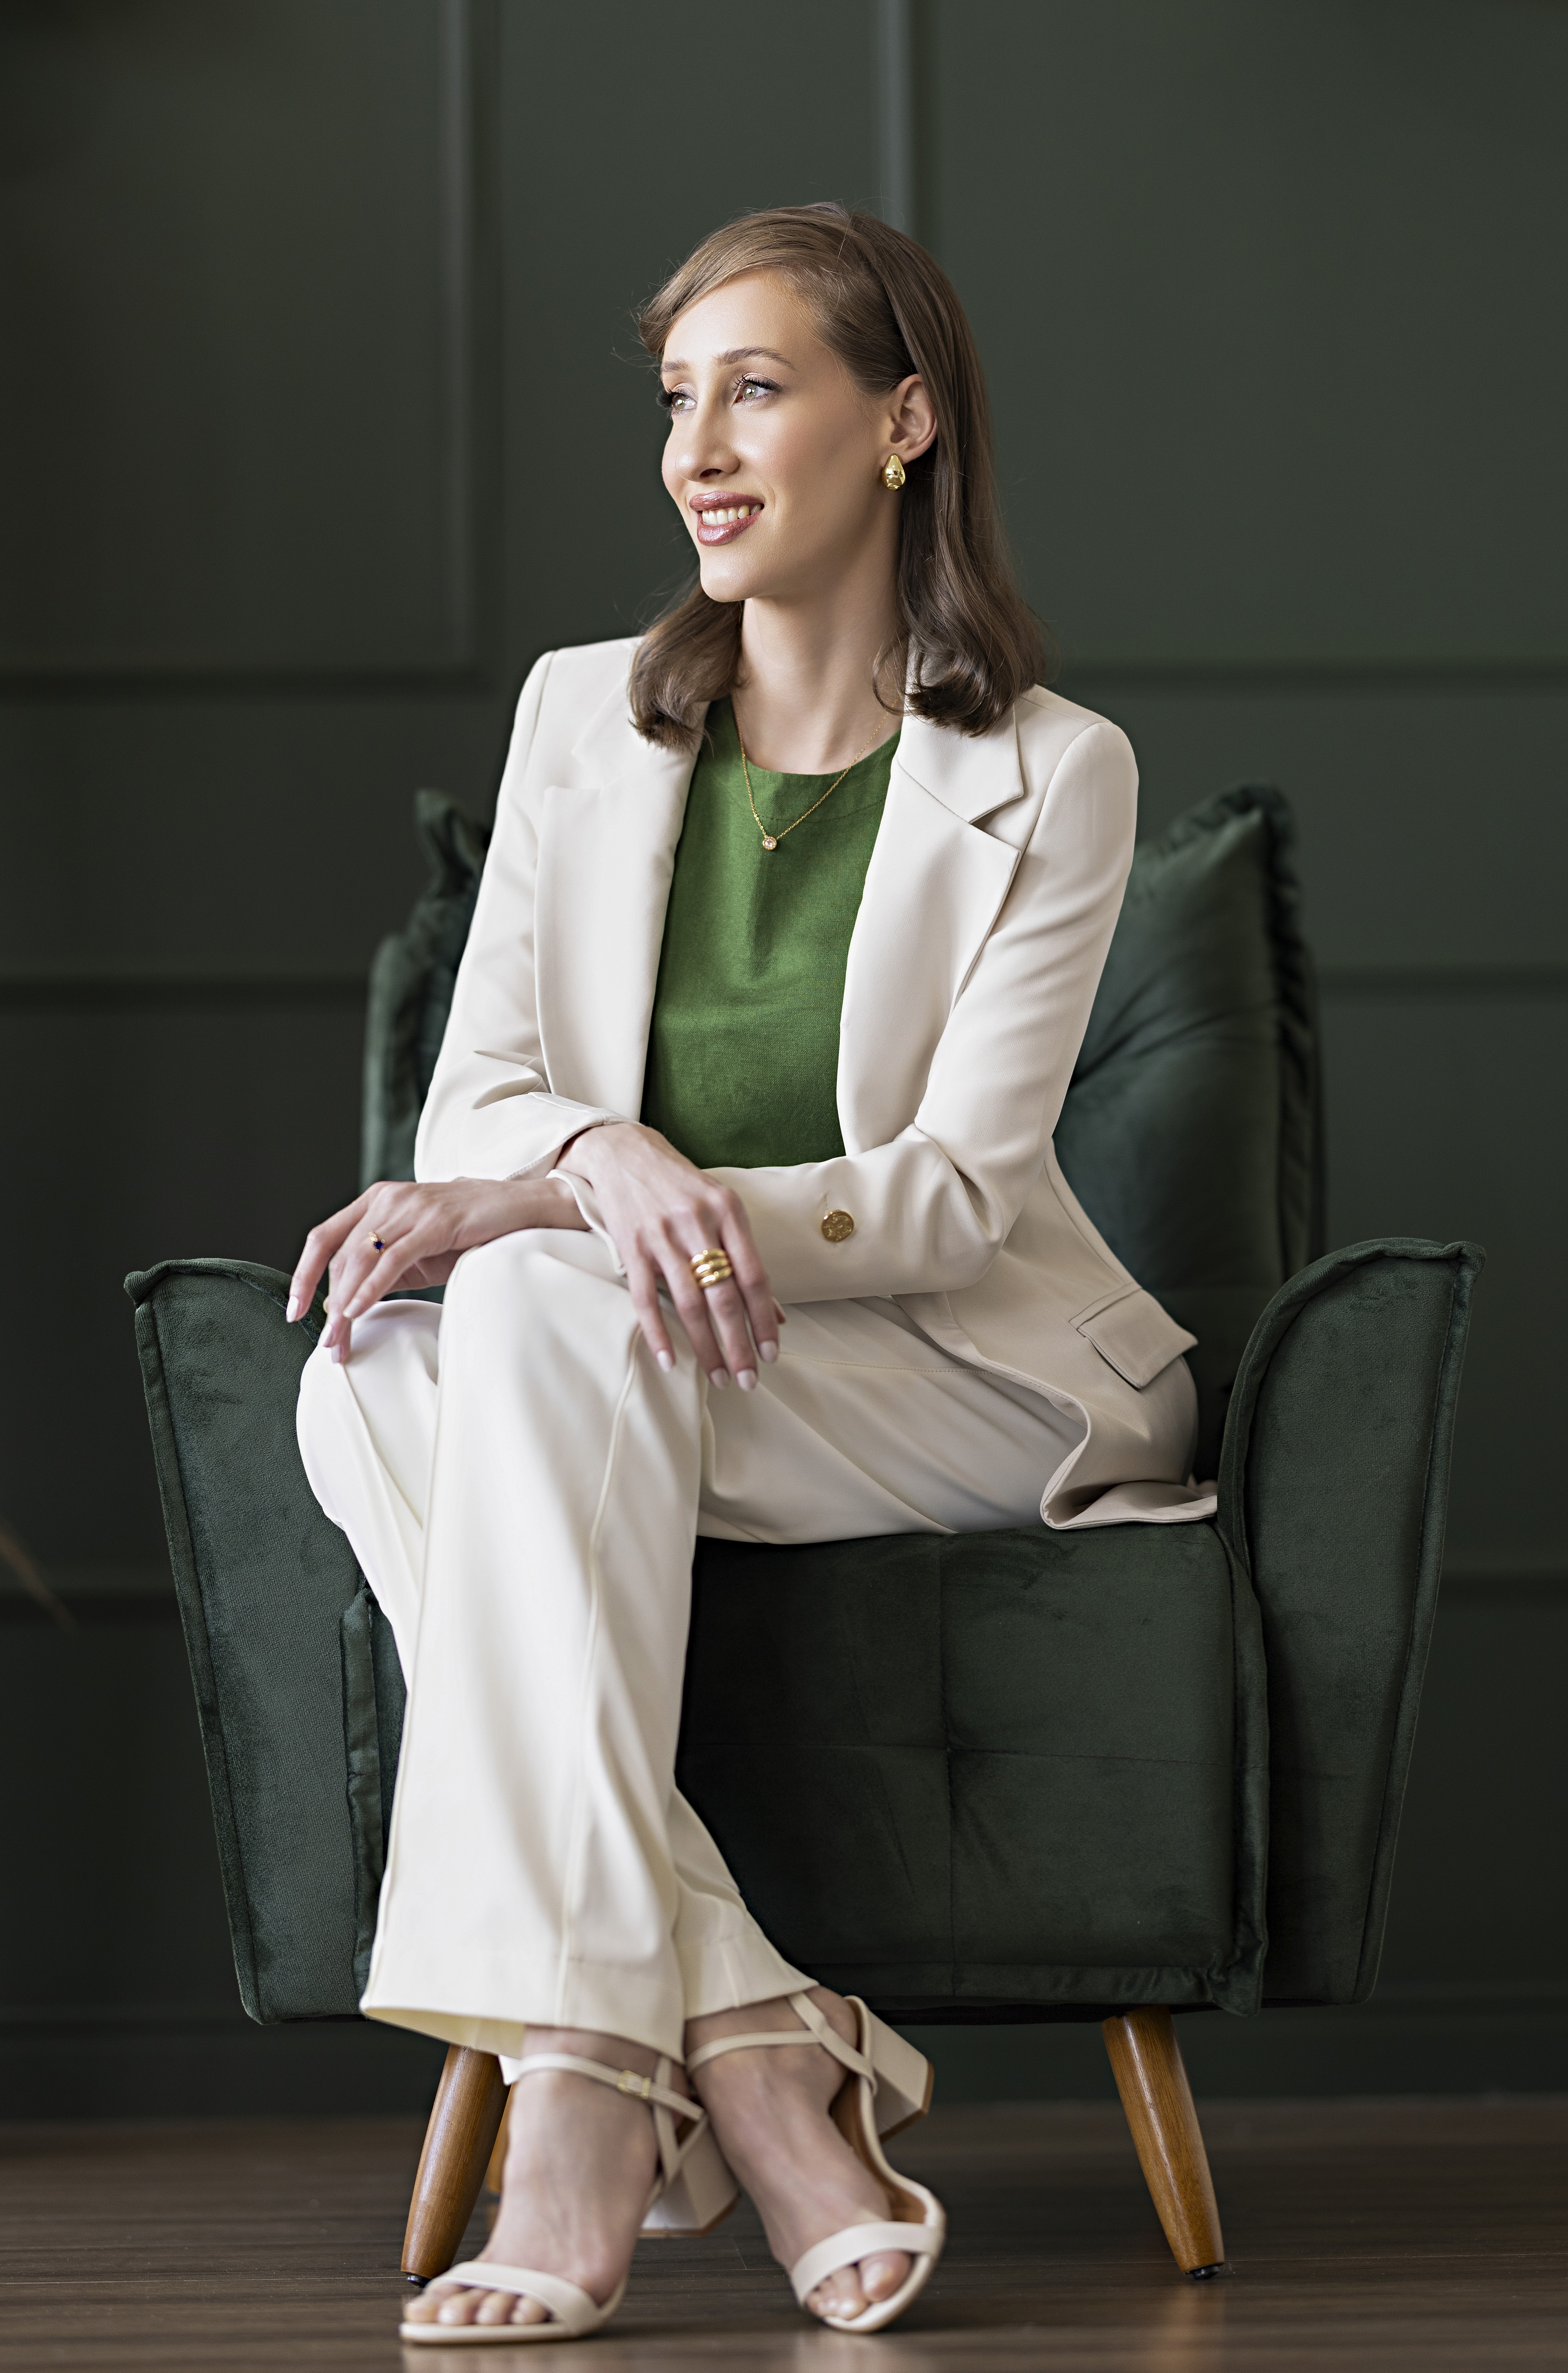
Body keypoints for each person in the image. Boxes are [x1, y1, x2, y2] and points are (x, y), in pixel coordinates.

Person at [288, 202, 1211, 2347]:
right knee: (374, 1363)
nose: (697, 445)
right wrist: (599, 1163)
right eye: (676, 398)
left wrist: (625, 1212)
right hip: (654, 1341)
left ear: (903, 424)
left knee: (479, 1329)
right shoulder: (575, 721)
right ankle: (735, 2049)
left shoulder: (1051, 773)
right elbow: (486, 1102)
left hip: (963, 1366)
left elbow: (952, 1201)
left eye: (756, 386)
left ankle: (588, 2102)